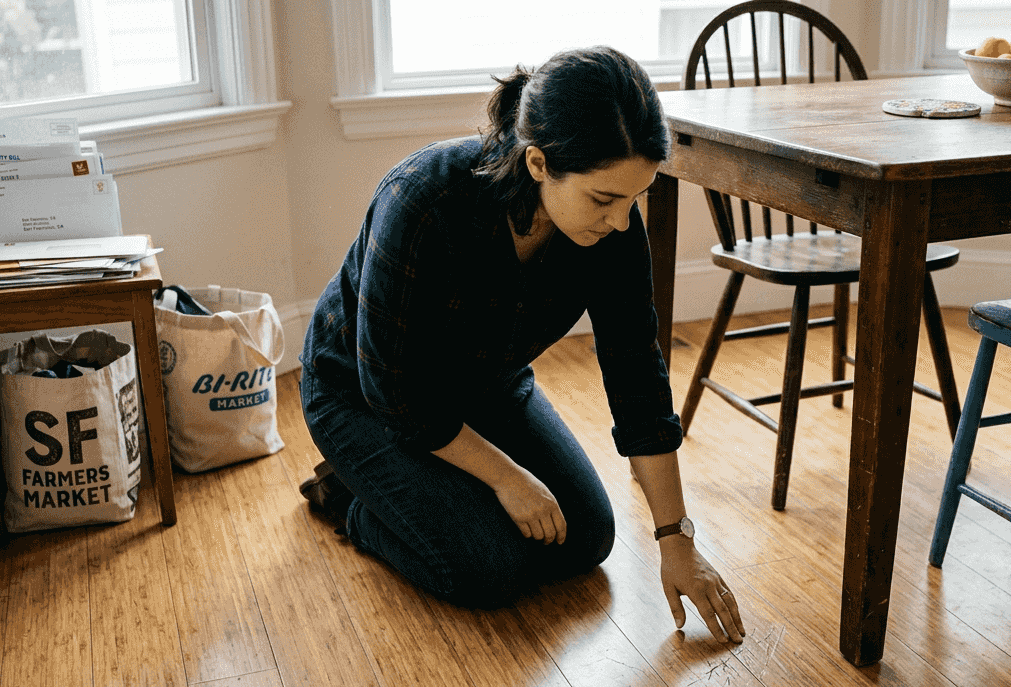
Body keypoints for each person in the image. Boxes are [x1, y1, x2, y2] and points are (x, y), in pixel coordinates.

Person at [298, 46, 744, 644]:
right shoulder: (422, 201)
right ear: (538, 163)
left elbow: (637, 375)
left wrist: (676, 539)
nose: (620, 222)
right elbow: (394, 390)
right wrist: (507, 477)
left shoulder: (613, 226)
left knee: (587, 537)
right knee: (491, 568)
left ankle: (423, 492)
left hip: (486, 387)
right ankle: (353, 499)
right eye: (604, 200)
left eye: (634, 199)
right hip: (364, 397)